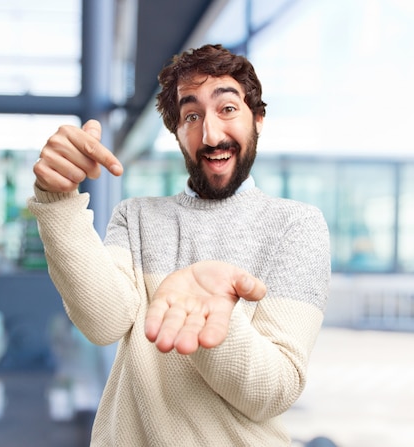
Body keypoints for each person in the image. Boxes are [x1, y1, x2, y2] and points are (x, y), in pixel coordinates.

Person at [28, 43, 330, 446]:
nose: (210, 133)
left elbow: (272, 391)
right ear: (176, 132)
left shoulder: (297, 226)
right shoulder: (134, 217)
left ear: (257, 119)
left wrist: (213, 322)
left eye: (227, 109)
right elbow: (103, 323)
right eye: (192, 116)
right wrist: (57, 198)